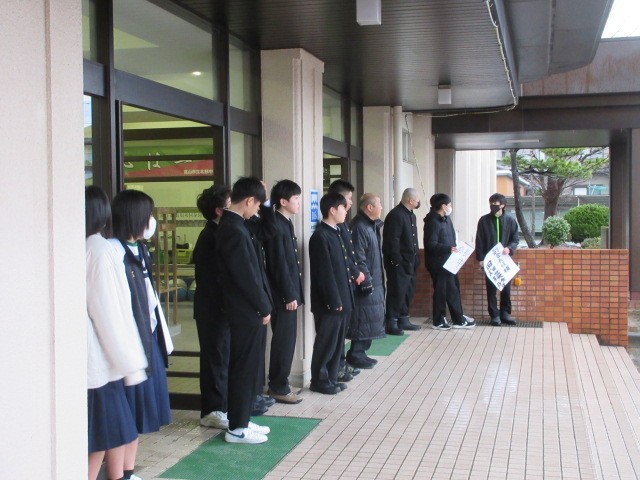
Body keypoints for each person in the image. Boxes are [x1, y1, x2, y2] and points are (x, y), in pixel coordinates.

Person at [110, 189, 174, 479]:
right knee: (125, 413)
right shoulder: (113, 251)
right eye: (148, 214)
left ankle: (128, 470)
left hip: (149, 339)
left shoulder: (141, 250)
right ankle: (118, 474)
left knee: (139, 411)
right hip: (129, 342)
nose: (152, 221)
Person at [86, 186, 148, 480]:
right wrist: (131, 364)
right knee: (109, 432)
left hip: (98, 361)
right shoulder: (100, 250)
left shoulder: (87, 247)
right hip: (101, 363)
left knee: (103, 436)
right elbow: (111, 312)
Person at [216, 177, 273, 444]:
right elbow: (246, 276)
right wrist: (263, 306)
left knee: (249, 367)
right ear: (249, 201)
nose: (258, 209)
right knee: (243, 367)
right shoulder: (233, 229)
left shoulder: (237, 224)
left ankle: (243, 419)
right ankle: (237, 428)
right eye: (258, 204)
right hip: (244, 310)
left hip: (247, 309)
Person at [193, 184, 232, 429]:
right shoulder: (209, 237)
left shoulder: (222, 233)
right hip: (212, 309)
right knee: (214, 359)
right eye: (230, 203)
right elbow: (213, 279)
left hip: (221, 308)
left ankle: (222, 406)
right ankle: (211, 410)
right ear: (219, 210)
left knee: (222, 358)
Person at [309, 192, 355, 395]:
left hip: (343, 299)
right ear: (332, 210)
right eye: (343, 208)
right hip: (329, 302)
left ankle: (331, 376)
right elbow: (324, 273)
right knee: (326, 343)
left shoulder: (336, 232)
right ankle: (319, 380)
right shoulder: (321, 236)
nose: (346, 212)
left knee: (337, 343)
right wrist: (334, 300)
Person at [264, 180, 304, 404]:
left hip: (289, 293)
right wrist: (288, 295)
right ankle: (278, 386)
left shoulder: (285, 223)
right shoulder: (276, 225)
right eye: (296, 198)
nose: (299, 202)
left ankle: (282, 382)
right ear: (283, 201)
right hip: (282, 296)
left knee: (288, 341)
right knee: (283, 342)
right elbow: (278, 265)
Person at [327, 180, 364, 382]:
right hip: (340, 285)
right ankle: (336, 367)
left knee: (342, 330)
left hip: (347, 283)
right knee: (334, 333)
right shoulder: (331, 229)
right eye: (348, 199)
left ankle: (341, 364)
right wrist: (355, 272)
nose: (350, 203)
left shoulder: (342, 223)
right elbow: (343, 257)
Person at [423, 193, 475, 330]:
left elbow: (451, 238)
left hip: (449, 262)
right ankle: (439, 320)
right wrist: (448, 248)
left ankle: (458, 318)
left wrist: (456, 248)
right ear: (443, 206)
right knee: (441, 292)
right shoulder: (433, 222)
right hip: (438, 264)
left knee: (453, 290)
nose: (451, 207)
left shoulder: (446, 219)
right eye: (449, 204)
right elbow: (431, 244)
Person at [346, 193, 386, 368]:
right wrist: (366, 280)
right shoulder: (360, 227)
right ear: (369, 207)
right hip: (365, 282)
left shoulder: (370, 225)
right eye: (379, 204)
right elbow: (358, 257)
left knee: (370, 317)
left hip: (374, 280)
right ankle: (356, 353)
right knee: (363, 317)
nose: (381, 207)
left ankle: (361, 352)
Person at [475, 193, 520, 326]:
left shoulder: (510, 221)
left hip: (505, 260)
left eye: (495, 204)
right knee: (491, 289)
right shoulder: (484, 221)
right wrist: (481, 259)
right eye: (491, 204)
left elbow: (515, 239)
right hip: (490, 261)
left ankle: (505, 314)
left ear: (503, 205)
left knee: (506, 288)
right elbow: (479, 241)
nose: (492, 206)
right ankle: (494, 315)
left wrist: (509, 248)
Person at [382, 188, 422, 334]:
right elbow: (392, 241)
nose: (418, 202)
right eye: (417, 200)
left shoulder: (411, 215)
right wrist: (397, 261)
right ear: (411, 200)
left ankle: (403, 318)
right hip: (399, 263)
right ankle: (391, 321)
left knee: (407, 291)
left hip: (411, 261)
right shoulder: (396, 215)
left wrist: (416, 258)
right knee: (396, 292)